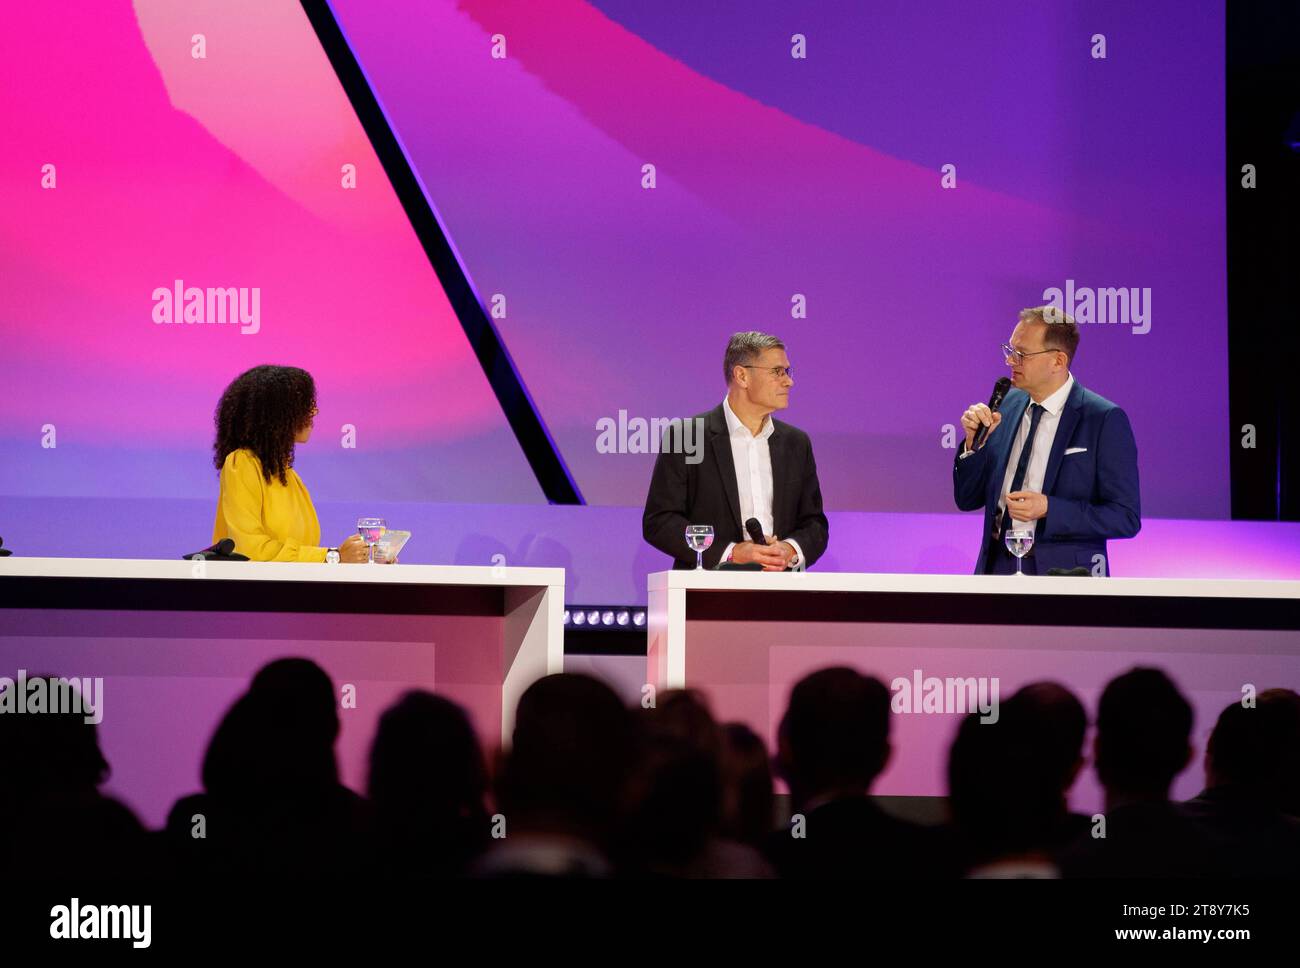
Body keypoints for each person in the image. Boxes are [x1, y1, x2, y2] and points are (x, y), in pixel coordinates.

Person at [953, 308, 1140, 575]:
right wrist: (974, 447)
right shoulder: (1005, 406)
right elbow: (967, 499)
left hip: (1064, 578)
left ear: (1058, 361)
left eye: (1022, 354)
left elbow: (1125, 517)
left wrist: (1050, 509)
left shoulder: (1103, 419)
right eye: (1009, 350)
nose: (1010, 362)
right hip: (996, 572)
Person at [643, 331, 829, 570]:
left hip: (781, 593)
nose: (788, 381)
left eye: (787, 371)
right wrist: (731, 553)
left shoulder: (796, 443)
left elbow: (814, 524)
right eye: (777, 371)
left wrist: (790, 549)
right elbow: (660, 522)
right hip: (708, 594)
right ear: (742, 375)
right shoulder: (687, 436)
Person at [212, 364, 367, 562]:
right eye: (304, 405)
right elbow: (249, 549)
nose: (314, 411)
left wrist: (356, 557)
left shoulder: (289, 475)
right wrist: (333, 556)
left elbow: (301, 555)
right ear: (277, 414)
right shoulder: (242, 463)